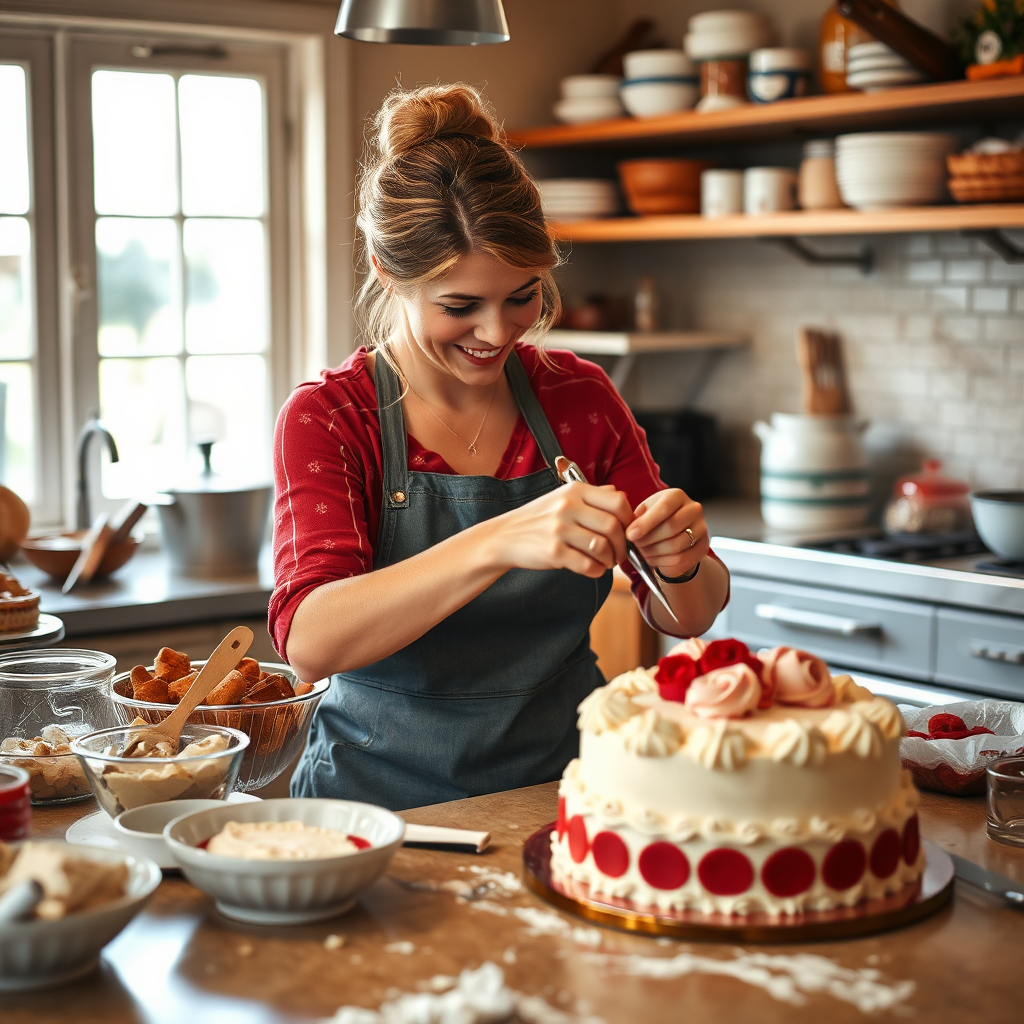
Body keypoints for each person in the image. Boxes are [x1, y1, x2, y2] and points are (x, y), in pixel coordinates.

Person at [269, 83, 730, 811]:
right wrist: (499, 540)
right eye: (460, 307)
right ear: (389, 273)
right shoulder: (331, 417)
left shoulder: (577, 397)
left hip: (568, 793)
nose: (498, 332)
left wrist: (682, 561)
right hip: (374, 812)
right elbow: (310, 640)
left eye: (523, 295)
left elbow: (687, 614)